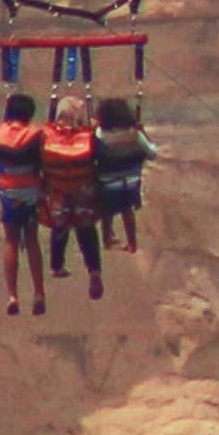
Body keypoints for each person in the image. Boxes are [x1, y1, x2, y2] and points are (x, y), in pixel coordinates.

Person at [36, 93, 112, 292]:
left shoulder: (46, 134)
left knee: (59, 228)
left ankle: (57, 264)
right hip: (83, 190)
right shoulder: (89, 136)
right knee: (86, 230)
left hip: (57, 190)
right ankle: (94, 270)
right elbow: (103, 155)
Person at [0, 93, 51, 315]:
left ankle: (12, 295)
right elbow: (44, 162)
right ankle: (39, 293)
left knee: (11, 241)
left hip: (9, 193)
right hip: (31, 192)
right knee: (31, 240)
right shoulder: (35, 134)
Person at [93, 96, 157, 253]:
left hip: (108, 183)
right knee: (127, 210)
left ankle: (107, 239)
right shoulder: (135, 135)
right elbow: (152, 154)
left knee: (106, 211)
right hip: (131, 183)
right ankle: (132, 243)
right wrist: (144, 133)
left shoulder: (100, 134)